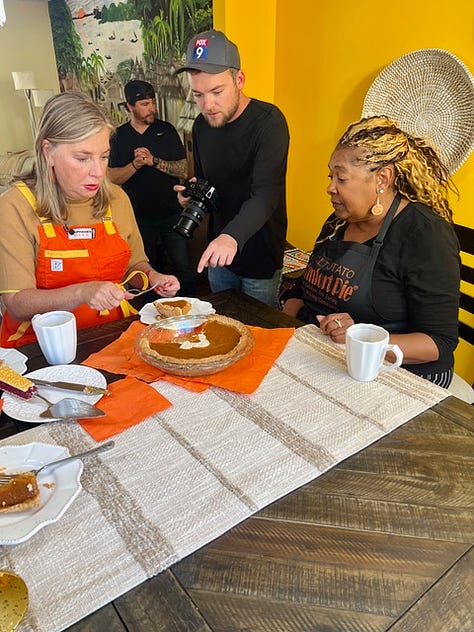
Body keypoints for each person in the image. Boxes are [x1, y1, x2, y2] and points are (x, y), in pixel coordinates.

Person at [282, 116, 460, 386]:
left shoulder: (425, 235)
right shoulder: (338, 221)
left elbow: (439, 343)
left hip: (401, 372)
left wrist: (361, 339)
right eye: (331, 176)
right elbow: (304, 288)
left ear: (383, 178)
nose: (330, 187)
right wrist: (284, 326)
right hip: (330, 353)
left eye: (341, 178)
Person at [0, 91, 180, 348]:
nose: (98, 172)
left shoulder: (116, 198)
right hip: (39, 346)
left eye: (104, 156)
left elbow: (135, 267)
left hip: (113, 334)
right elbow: (17, 304)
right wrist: (82, 292)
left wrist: (153, 278)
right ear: (48, 151)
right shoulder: (14, 207)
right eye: (82, 158)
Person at [174, 30, 289, 307]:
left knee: (260, 335)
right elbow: (206, 181)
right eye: (198, 94)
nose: (208, 105)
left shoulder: (269, 123)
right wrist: (191, 194)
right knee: (222, 324)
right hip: (218, 254)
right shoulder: (201, 126)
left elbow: (266, 194)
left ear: (239, 79)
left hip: (258, 255)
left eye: (217, 92)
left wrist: (232, 237)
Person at [108, 80, 196, 296]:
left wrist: (153, 161)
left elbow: (183, 170)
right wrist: (135, 164)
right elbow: (111, 178)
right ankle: (151, 320)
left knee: (184, 269)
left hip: (172, 214)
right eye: (145, 104)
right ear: (130, 106)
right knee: (146, 275)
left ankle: (193, 311)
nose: (152, 109)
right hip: (138, 219)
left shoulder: (165, 130)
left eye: (153, 103)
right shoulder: (118, 137)